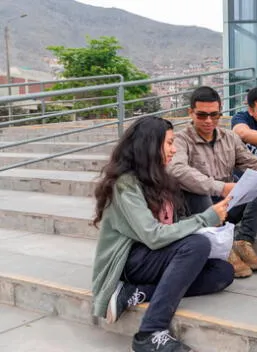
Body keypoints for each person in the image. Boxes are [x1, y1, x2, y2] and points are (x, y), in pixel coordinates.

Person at [91, 116, 233, 352]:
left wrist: (210, 221)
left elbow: (171, 227)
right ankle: (149, 332)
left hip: (154, 255)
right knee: (196, 245)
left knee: (222, 271)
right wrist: (204, 219)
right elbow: (153, 235)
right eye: (168, 143)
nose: (173, 149)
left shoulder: (160, 180)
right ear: (149, 145)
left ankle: (137, 292)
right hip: (130, 260)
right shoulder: (125, 185)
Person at [167, 86, 257, 279]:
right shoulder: (180, 140)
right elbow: (177, 170)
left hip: (228, 203)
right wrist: (220, 187)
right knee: (198, 190)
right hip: (199, 209)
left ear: (221, 113)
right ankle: (223, 246)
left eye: (214, 115)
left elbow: (250, 160)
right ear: (191, 113)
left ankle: (243, 240)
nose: (209, 121)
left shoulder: (229, 138)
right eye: (202, 115)